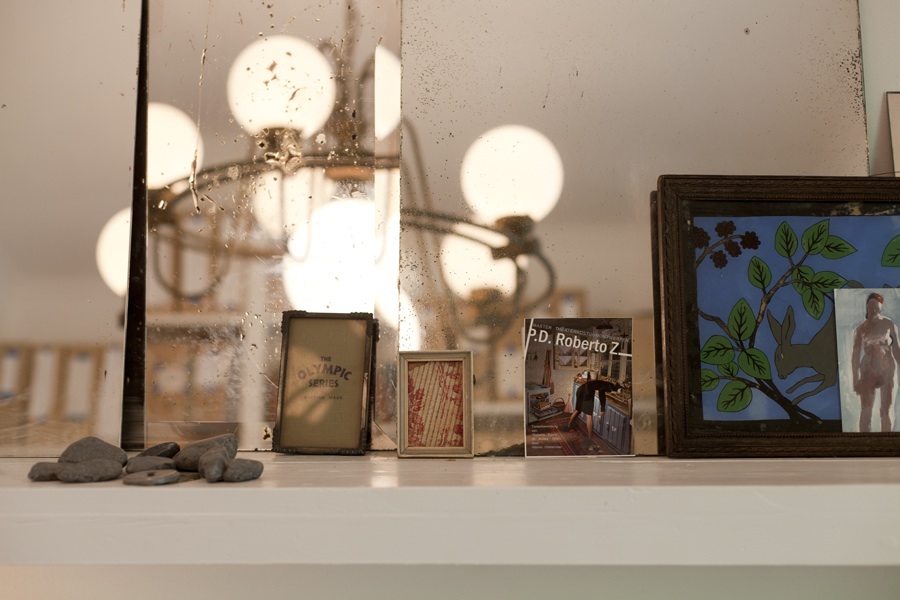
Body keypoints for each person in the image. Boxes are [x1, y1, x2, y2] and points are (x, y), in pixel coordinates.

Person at [851, 292, 900, 432]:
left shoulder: (888, 324)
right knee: (866, 410)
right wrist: (855, 380)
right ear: (867, 307)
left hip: (887, 371)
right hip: (868, 372)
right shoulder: (860, 329)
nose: (873, 309)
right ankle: (864, 443)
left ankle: (887, 442)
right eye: (871, 306)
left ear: (880, 307)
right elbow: (855, 356)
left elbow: (896, 349)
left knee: (886, 410)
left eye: (876, 307)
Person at [563, 377, 623, 444]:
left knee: (577, 410)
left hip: (580, 390)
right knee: (589, 416)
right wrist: (602, 409)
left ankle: (568, 426)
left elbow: (600, 392)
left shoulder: (604, 383)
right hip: (587, 393)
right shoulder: (609, 386)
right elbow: (602, 395)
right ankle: (590, 439)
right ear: (613, 388)